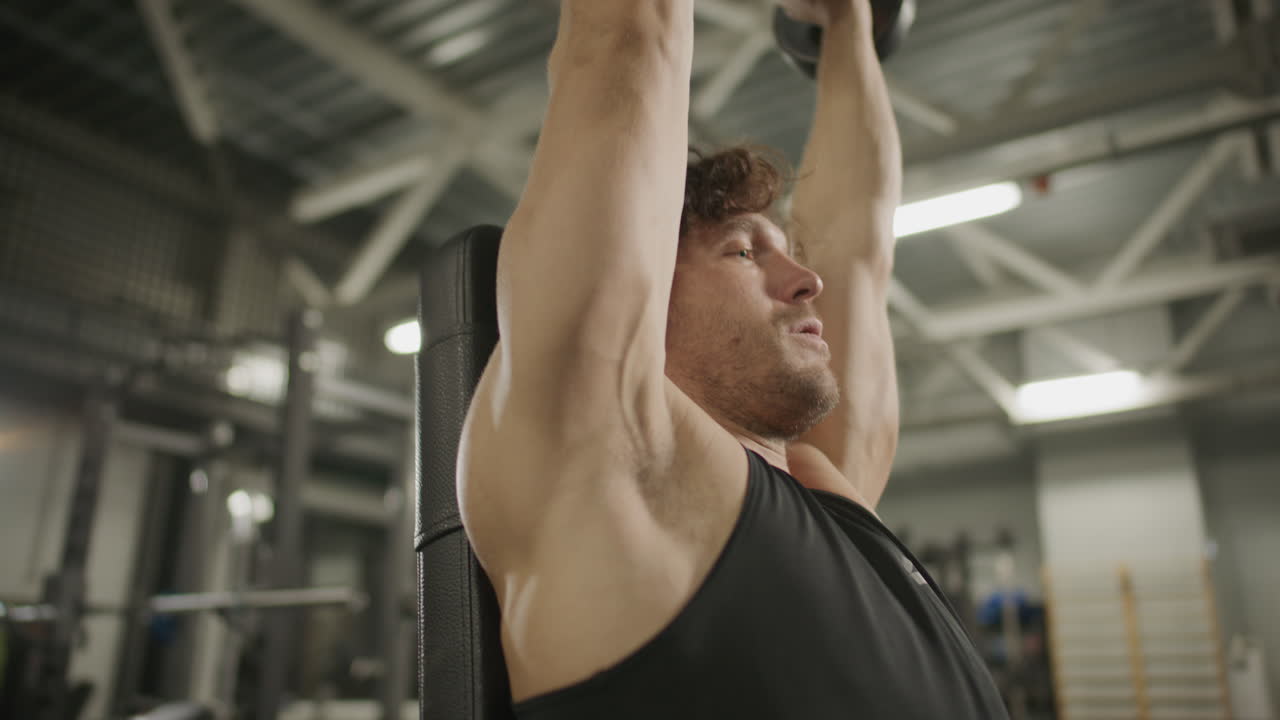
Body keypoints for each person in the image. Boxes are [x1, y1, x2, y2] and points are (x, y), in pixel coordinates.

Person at [457, 1, 1011, 717]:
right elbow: (626, 44)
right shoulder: (615, 461)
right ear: (645, 292)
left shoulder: (825, 484)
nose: (807, 281)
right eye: (746, 252)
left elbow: (856, 243)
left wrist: (846, 24)